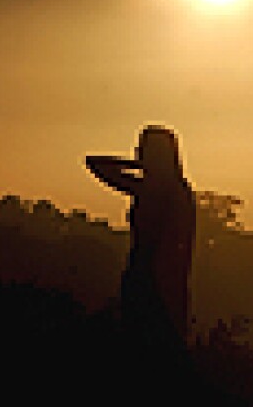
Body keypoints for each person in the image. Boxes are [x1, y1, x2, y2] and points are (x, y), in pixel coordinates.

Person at [85, 125, 196, 355]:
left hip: (158, 278)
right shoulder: (148, 186)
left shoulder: (171, 191)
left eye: (143, 150)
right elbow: (94, 163)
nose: (137, 152)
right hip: (139, 273)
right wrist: (137, 165)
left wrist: (140, 166)